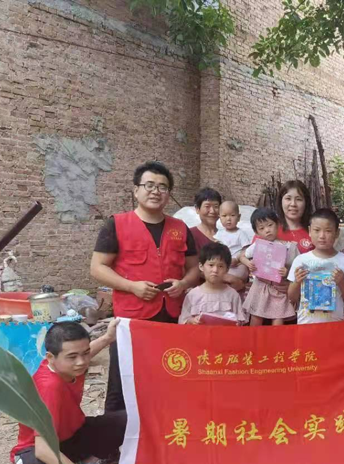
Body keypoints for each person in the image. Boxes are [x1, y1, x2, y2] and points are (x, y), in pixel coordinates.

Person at [91, 161, 200, 412]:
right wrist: (131, 287)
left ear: (168, 193)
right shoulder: (117, 224)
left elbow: (194, 268)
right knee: (123, 379)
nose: (155, 191)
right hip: (132, 318)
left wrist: (183, 283)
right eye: (149, 185)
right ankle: (116, 432)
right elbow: (97, 268)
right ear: (136, 190)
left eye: (162, 187)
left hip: (171, 316)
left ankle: (164, 427)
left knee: (168, 376)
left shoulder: (180, 228)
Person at [11, 320, 126, 464]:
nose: (82, 362)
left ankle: (86, 462)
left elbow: (81, 353)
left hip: (72, 433)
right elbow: (44, 449)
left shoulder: (69, 367)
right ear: (50, 357)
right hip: (37, 446)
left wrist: (108, 338)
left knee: (124, 421)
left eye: (85, 353)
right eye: (72, 357)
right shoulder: (49, 387)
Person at [288, 208, 344, 324]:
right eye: (317, 230)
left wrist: (342, 283)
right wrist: (297, 282)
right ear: (310, 231)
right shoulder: (300, 260)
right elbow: (292, 298)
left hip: (334, 325)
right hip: (306, 324)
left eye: (328, 231)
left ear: (337, 233)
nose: (322, 236)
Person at [241, 207, 298, 326]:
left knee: (278, 316)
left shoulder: (288, 247)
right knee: (256, 314)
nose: (267, 230)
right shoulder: (257, 245)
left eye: (270, 225)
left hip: (279, 288)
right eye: (261, 228)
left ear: (278, 224)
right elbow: (242, 256)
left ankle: (277, 339)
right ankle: (253, 338)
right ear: (256, 232)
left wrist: (287, 272)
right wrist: (248, 263)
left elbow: (298, 267)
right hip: (260, 286)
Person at [179, 242, 248, 325]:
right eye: (211, 265)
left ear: (227, 269)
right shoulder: (192, 295)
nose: (215, 270)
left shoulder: (232, 295)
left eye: (220, 266)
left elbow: (240, 321)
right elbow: (183, 320)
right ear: (201, 266)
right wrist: (192, 320)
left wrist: (237, 323)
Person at [215, 199, 253, 279]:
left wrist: (237, 259)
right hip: (223, 263)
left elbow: (245, 250)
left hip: (238, 264)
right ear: (219, 218)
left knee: (242, 271)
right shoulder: (219, 234)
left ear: (238, 217)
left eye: (232, 215)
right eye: (224, 216)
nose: (228, 219)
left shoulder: (241, 234)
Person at [275, 180, 315, 254]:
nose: (293, 204)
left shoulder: (315, 231)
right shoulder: (268, 230)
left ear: (306, 203)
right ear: (281, 201)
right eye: (288, 198)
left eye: (298, 199)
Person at [190, 187, 222, 252]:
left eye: (216, 206)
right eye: (207, 206)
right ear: (197, 209)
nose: (212, 211)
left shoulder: (226, 235)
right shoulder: (190, 235)